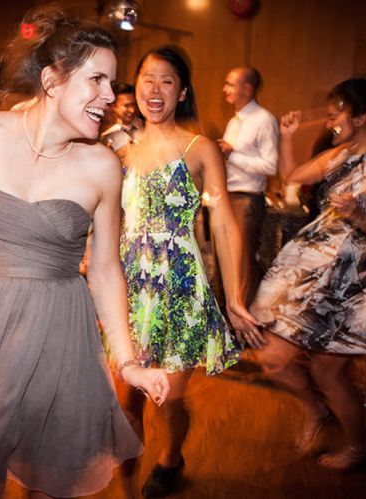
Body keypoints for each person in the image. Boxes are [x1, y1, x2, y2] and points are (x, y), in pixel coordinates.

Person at [0, 7, 169, 499]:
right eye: (97, 79)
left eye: (112, 83)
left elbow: (106, 270)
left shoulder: (102, 166)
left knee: (51, 477)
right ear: (52, 80)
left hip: (59, 336)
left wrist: (127, 361)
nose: (110, 96)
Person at [246, 78, 366, 470]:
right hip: (310, 271)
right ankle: (315, 410)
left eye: (337, 112)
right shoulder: (338, 156)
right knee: (272, 357)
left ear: (362, 115)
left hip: (353, 282)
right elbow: (293, 176)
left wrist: (359, 216)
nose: (330, 120)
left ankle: (359, 447)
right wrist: (287, 137)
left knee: (327, 373)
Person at [117, 46, 260, 498]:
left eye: (167, 80)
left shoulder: (200, 149)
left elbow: (225, 224)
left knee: (167, 400)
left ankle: (170, 458)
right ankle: (125, 488)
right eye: (148, 78)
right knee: (125, 402)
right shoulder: (122, 152)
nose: (155, 89)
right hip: (129, 289)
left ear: (181, 93)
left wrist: (234, 297)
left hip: (179, 288)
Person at [217, 66, 278, 304]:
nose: (225, 89)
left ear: (247, 88)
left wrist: (232, 154)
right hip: (228, 195)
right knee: (228, 261)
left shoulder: (264, 120)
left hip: (247, 199)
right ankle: (229, 312)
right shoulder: (235, 121)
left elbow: (270, 166)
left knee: (242, 263)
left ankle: (246, 315)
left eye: (230, 84)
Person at [100, 82, 142, 155]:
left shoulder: (148, 127)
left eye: (134, 105)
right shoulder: (108, 136)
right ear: (114, 106)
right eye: (126, 106)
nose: (132, 110)